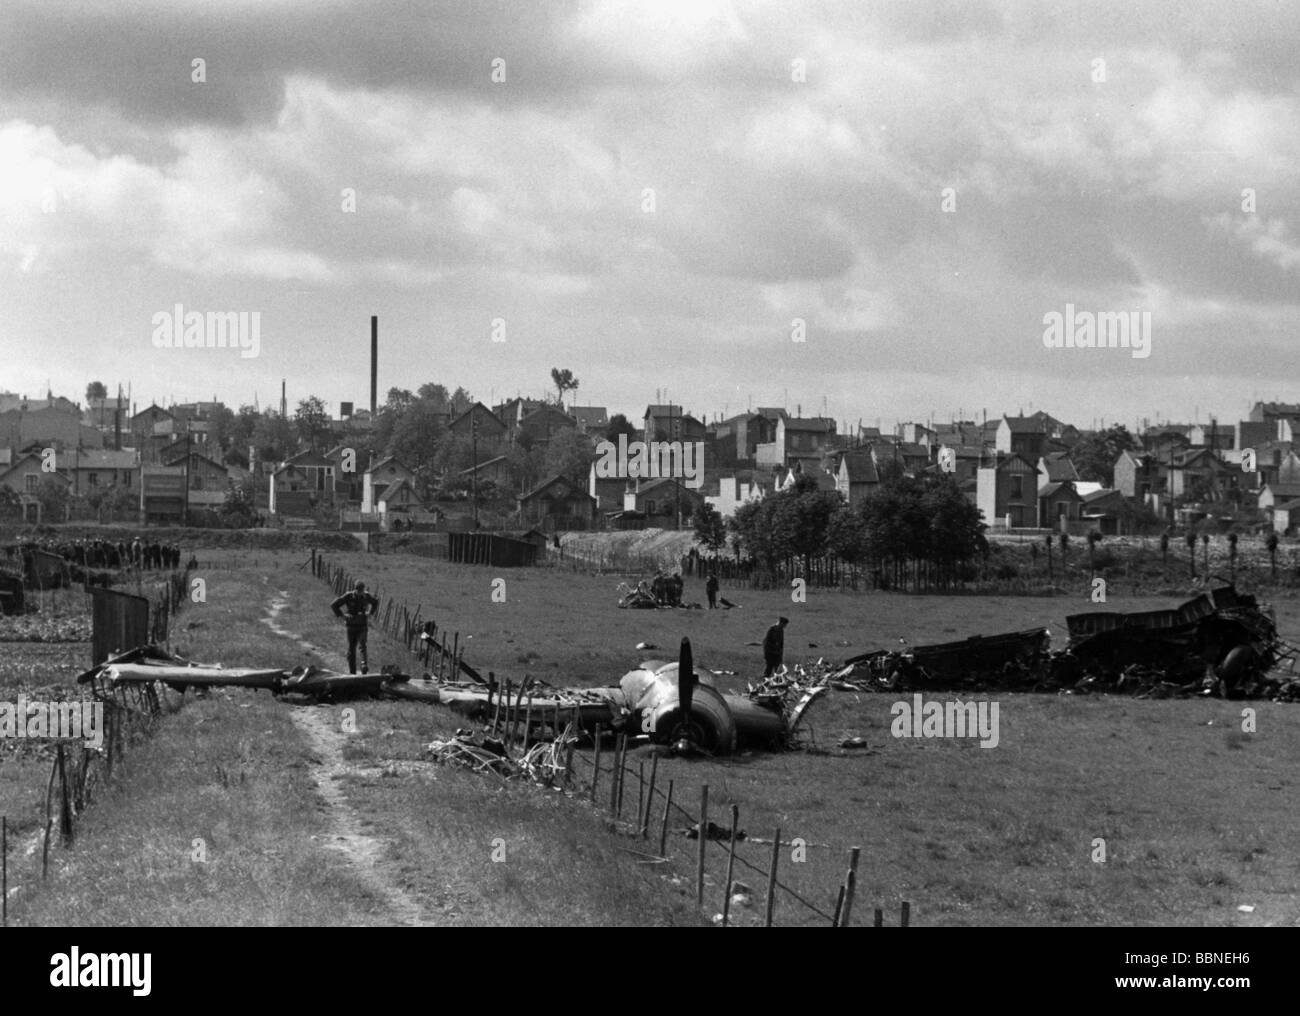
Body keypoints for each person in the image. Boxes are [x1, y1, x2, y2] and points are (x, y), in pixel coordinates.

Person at [331, 579, 380, 674]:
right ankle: (352, 672)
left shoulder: (366, 596)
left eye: (362, 592)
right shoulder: (348, 596)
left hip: (362, 625)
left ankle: (363, 665)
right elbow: (334, 605)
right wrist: (343, 615)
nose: (361, 594)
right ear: (355, 590)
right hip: (351, 625)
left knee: (362, 645)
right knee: (351, 649)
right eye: (359, 592)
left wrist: (370, 613)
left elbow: (375, 602)